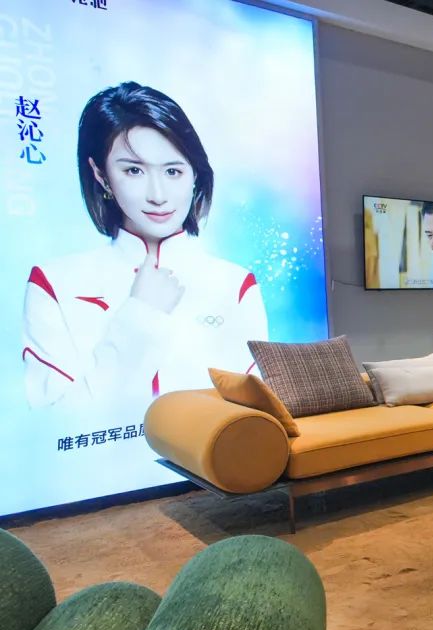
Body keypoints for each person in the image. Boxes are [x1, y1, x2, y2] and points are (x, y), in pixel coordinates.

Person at [21, 81, 268, 408]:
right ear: (101, 175)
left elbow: (254, 414)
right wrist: (141, 315)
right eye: (134, 170)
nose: (158, 195)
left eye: (173, 171)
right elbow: (54, 418)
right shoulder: (54, 283)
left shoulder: (234, 285)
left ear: (195, 174)